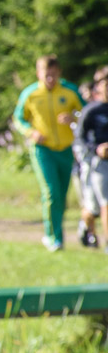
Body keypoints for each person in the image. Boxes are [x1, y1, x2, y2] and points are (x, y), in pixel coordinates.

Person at [13, 55, 84, 251]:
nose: (50, 79)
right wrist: (31, 132)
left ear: (59, 73)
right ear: (39, 74)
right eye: (46, 75)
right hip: (42, 150)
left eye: (53, 75)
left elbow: (86, 114)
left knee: (61, 195)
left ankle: (57, 233)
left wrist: (73, 118)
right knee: (51, 192)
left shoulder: (70, 91)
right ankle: (53, 238)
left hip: (65, 150)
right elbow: (19, 118)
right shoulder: (30, 94)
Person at [74, 69, 108, 249]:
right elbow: (79, 139)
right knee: (93, 209)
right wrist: (97, 149)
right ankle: (85, 226)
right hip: (96, 163)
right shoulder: (92, 111)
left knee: (106, 203)